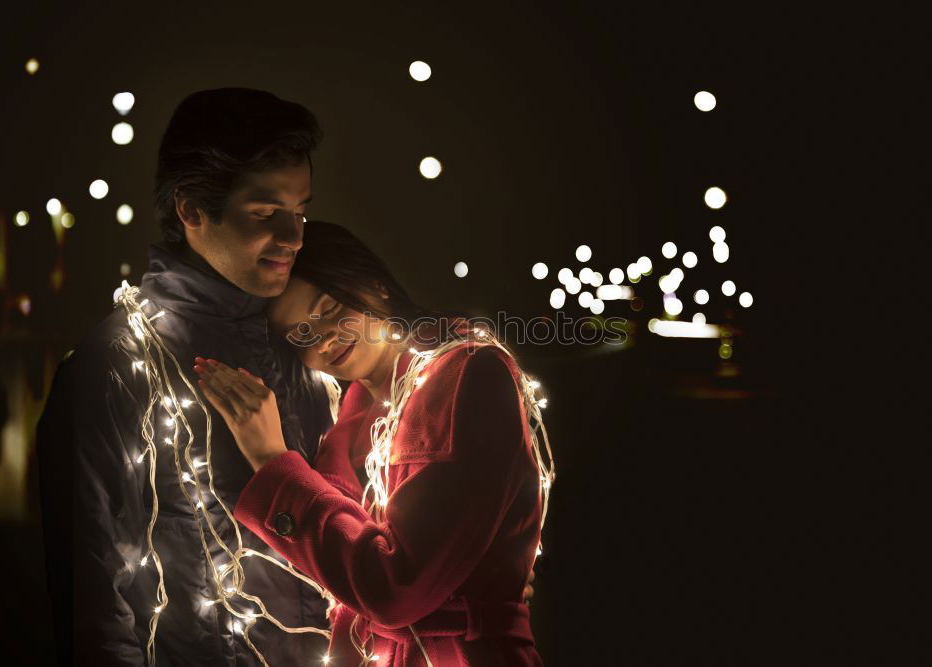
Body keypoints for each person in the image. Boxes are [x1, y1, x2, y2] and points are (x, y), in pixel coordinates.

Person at [36, 88, 334, 666]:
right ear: (191, 209)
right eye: (265, 213)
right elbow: (94, 607)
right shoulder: (115, 368)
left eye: (300, 211)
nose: (295, 236)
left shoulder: (311, 356)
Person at [194, 222, 549, 666]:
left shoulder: (468, 376)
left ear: (375, 286)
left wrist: (271, 460)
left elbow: (395, 590)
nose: (321, 337)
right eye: (299, 333)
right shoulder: (341, 423)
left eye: (330, 307)